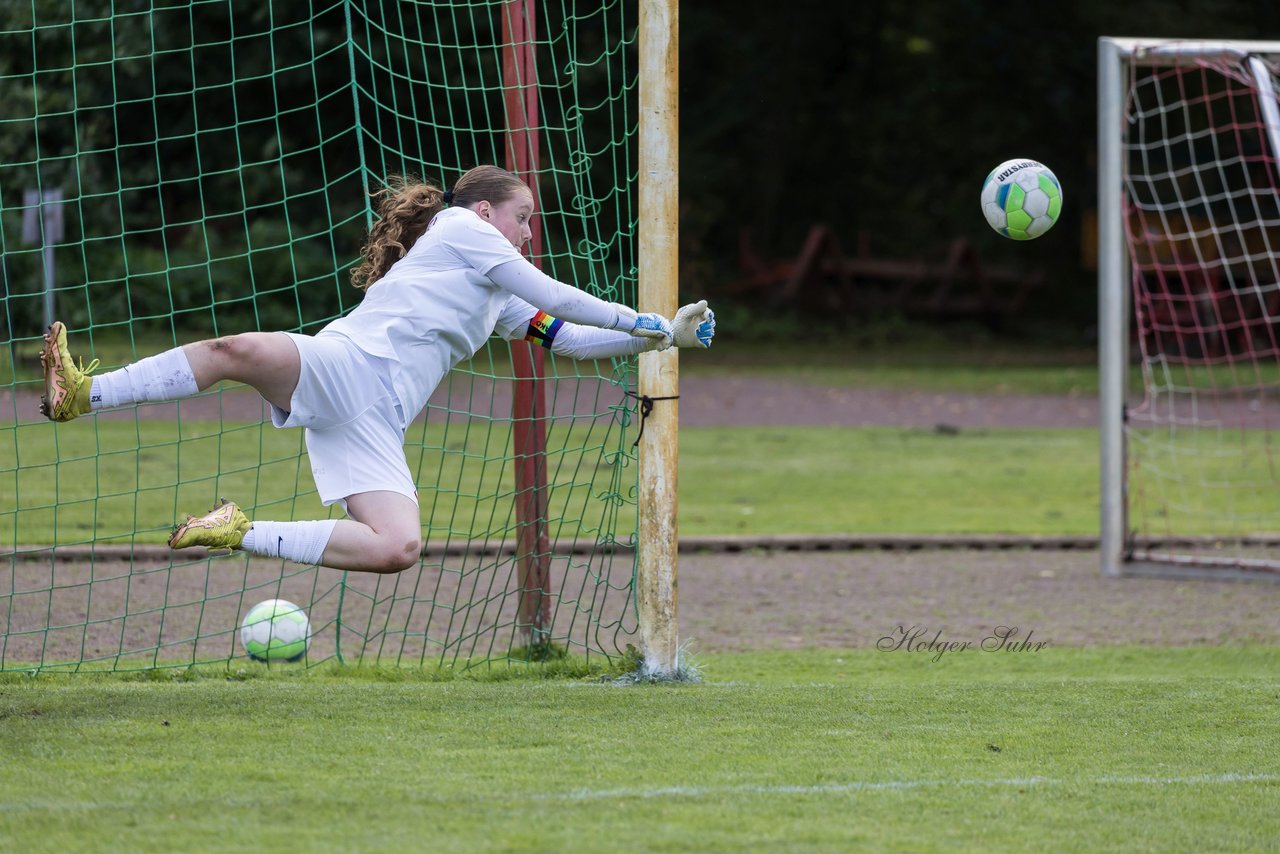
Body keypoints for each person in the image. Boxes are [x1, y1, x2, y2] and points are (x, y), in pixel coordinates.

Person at [39, 165, 716, 573]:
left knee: (397, 547)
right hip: (348, 367)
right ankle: (83, 394)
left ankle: (238, 529)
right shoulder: (460, 228)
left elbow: (562, 336)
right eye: (523, 218)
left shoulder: (497, 291)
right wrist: (638, 318)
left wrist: (661, 343)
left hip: (378, 420)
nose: (529, 232)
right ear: (485, 212)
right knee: (233, 353)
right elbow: (555, 294)